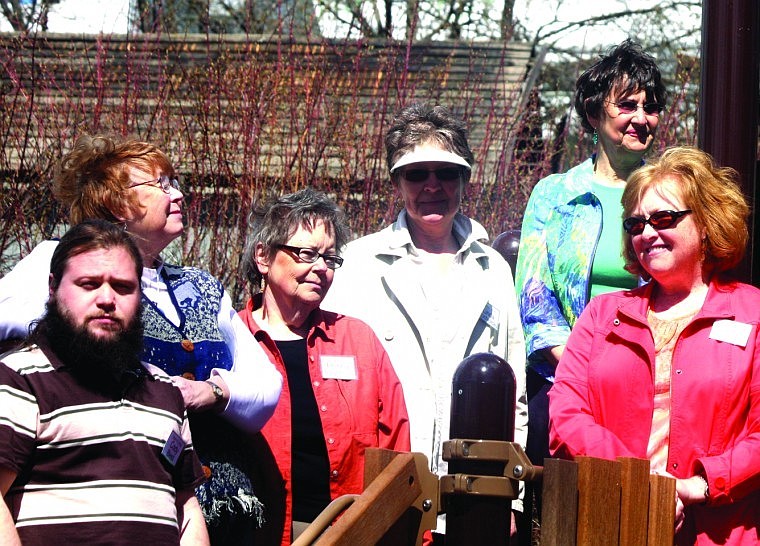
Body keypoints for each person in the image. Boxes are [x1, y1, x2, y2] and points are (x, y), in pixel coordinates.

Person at [0, 134, 282, 544]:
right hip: (121, 498)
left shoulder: (199, 286)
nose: (179, 194)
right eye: (162, 184)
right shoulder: (58, 260)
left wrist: (214, 391)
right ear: (117, 205)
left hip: (219, 507)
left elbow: (266, 386)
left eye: (176, 181)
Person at [322, 103, 527, 539]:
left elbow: (517, 397)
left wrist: (513, 494)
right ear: (397, 182)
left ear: (464, 180)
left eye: (446, 172)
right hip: (385, 489)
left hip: (474, 498)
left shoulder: (494, 269)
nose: (432, 185)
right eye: (416, 174)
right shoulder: (357, 265)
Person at [549, 146, 760, 545]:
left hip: (719, 532)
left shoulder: (754, 313)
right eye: (636, 224)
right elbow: (566, 416)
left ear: (706, 223)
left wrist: (701, 484)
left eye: (664, 218)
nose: (647, 233)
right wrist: (641, 481)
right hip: (613, 526)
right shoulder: (600, 315)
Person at [0, 220, 209, 546]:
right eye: (89, 284)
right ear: (53, 288)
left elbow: (186, 507)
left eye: (123, 287)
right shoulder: (18, 380)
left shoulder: (162, 391)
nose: (107, 299)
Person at [514, 39, 668, 478]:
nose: (642, 117)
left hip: (653, 387)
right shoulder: (555, 196)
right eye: (627, 105)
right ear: (594, 112)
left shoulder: (670, 197)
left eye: (650, 106)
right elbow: (535, 301)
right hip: (568, 385)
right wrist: (590, 367)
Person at [237, 187, 410, 544]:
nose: (320, 268)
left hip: (351, 533)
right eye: (306, 253)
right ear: (264, 257)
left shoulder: (358, 340)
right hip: (259, 535)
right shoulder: (232, 341)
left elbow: (396, 447)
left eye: (329, 259)